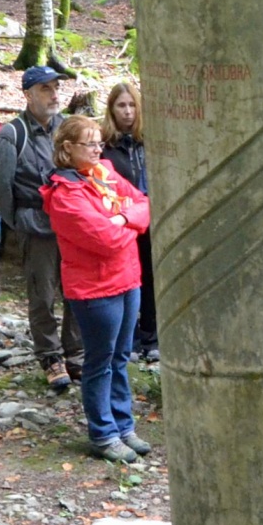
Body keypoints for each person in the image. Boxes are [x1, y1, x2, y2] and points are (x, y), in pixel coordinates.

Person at [40, 116, 152, 463]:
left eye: (98, 142)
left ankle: (124, 425)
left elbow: (145, 204)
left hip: (127, 279)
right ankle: (103, 433)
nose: (97, 149)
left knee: (121, 358)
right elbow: (105, 241)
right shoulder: (64, 195)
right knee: (100, 362)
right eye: (89, 144)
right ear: (67, 149)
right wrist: (127, 220)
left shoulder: (104, 172)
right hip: (94, 289)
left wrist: (121, 219)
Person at [0, 66, 83, 392]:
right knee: (42, 295)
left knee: (75, 290)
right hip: (37, 228)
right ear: (28, 94)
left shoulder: (66, 129)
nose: (54, 94)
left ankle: (75, 353)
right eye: (45, 88)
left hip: (71, 226)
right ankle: (49, 356)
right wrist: (19, 223)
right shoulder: (11, 135)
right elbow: (0, 189)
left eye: (56, 87)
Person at [101, 83, 159, 363]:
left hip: (150, 220)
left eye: (132, 105)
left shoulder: (149, 142)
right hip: (122, 222)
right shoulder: (105, 147)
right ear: (111, 109)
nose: (127, 112)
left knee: (150, 277)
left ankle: (152, 336)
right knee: (126, 280)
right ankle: (130, 338)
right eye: (121, 106)